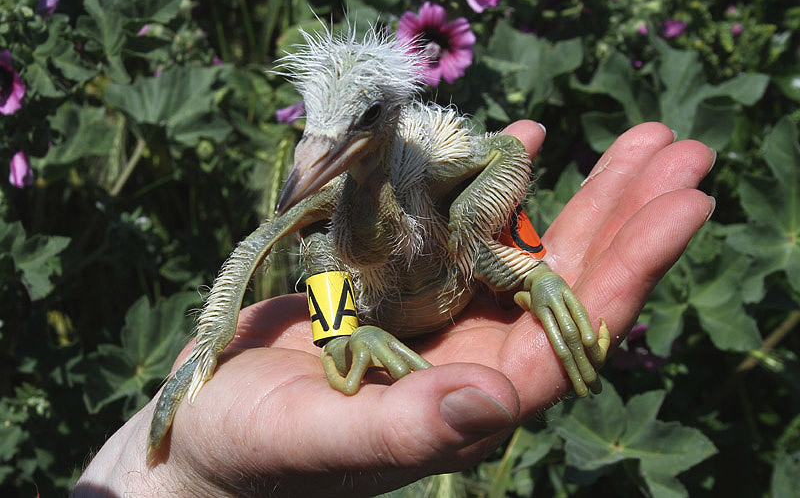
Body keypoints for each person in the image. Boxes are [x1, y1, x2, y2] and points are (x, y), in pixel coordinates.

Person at [72, 121, 715, 497]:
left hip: (463, 272)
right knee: (321, 235)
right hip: (372, 312)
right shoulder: (331, 188)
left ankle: (523, 278)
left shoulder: (431, 158)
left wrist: (528, 269)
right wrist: (210, 347)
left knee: (462, 218)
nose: (317, 163)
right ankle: (341, 336)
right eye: (313, 141)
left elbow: (510, 151)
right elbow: (255, 245)